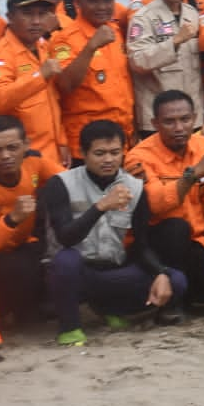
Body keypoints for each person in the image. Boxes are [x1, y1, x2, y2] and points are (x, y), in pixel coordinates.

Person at [39, 119, 187, 345]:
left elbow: (141, 244)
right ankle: (70, 327)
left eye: (115, 152)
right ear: (83, 153)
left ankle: (115, 309)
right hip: (73, 274)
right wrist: (101, 206)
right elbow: (65, 237)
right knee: (66, 261)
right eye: (99, 153)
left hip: (112, 271)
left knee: (175, 280)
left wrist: (160, 273)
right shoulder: (60, 184)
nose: (108, 159)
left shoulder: (135, 187)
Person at [124, 90, 204, 314]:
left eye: (184, 120)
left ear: (194, 118)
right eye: (169, 121)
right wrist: (192, 175)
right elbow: (155, 204)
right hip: (154, 244)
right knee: (176, 228)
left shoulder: (202, 145)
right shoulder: (138, 157)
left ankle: (191, 292)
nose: (178, 128)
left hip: (198, 241)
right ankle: (172, 301)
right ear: (155, 123)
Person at [0, 117, 60, 330]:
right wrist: (11, 220)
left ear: (26, 145)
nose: (5, 156)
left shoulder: (35, 162)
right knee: (4, 274)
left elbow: (69, 182)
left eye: (12, 148)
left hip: (28, 245)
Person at [50, 0, 135, 161]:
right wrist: (90, 47)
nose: (102, 6)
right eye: (94, 0)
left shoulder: (115, 31)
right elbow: (65, 85)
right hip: (87, 144)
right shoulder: (64, 39)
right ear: (78, 2)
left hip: (121, 137)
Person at [127, 0, 204, 135]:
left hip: (192, 118)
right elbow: (137, 61)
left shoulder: (193, 14)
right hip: (159, 122)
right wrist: (174, 42)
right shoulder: (143, 18)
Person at [0, 0, 67, 165]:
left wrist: (61, 141)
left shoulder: (43, 46)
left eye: (42, 13)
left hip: (53, 153)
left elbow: (53, 100)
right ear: (10, 17)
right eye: (28, 14)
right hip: (21, 158)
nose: (36, 21)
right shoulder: (0, 56)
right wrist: (39, 76)